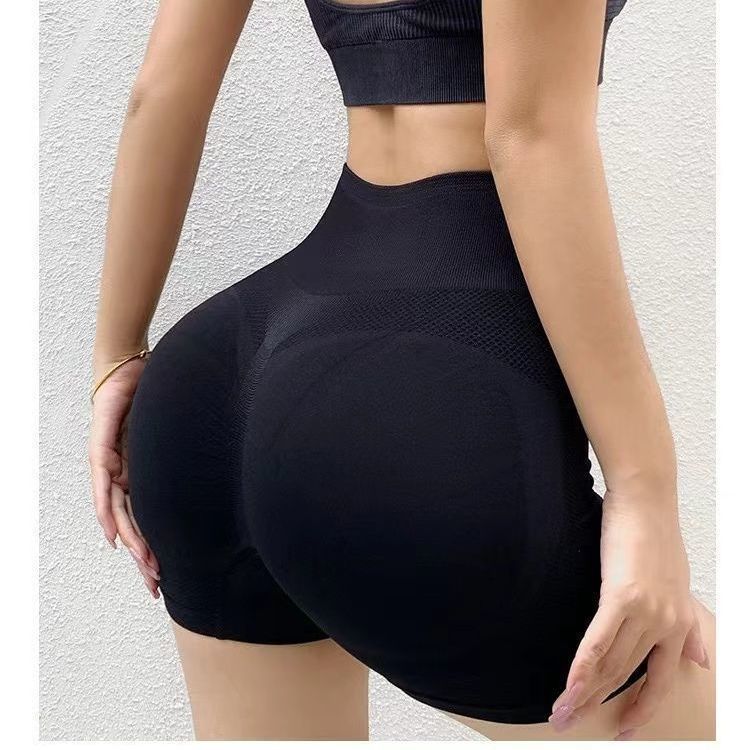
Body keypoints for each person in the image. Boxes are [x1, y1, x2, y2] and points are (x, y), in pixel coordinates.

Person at [88, 0, 715, 741]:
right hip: (420, 396)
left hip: (210, 383)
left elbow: (161, 90)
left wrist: (116, 355)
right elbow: (529, 133)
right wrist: (645, 493)